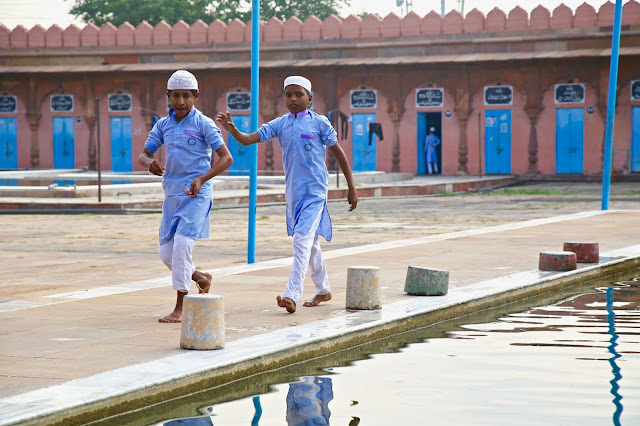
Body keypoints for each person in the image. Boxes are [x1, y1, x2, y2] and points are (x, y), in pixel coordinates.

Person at [216, 75, 358, 314]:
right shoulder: (279, 124)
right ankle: (323, 290)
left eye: (299, 94)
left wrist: (351, 187)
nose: (293, 99)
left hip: (315, 193)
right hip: (294, 195)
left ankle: (292, 295)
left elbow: (339, 154)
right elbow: (249, 140)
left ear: (309, 99)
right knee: (310, 244)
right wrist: (233, 130)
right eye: (289, 95)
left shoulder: (320, 123)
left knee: (301, 240)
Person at [138, 70, 233, 323]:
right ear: (168, 96)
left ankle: (181, 305)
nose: (181, 102)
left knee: (181, 246)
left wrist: (202, 178)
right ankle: (201, 277)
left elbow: (226, 158)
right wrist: (150, 163)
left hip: (196, 194)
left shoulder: (204, 124)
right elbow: (143, 154)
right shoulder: (163, 125)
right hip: (171, 194)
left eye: (186, 96)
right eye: (176, 96)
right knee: (166, 253)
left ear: (196, 97)